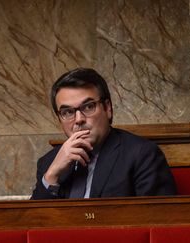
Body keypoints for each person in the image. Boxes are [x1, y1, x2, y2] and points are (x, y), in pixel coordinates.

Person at [31, 67, 176, 199]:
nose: (79, 119)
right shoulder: (48, 163)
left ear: (108, 108)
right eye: (67, 112)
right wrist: (51, 176)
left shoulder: (142, 154)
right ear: (59, 119)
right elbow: (32, 224)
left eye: (88, 107)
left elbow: (158, 219)